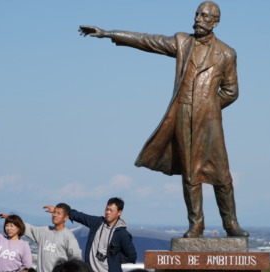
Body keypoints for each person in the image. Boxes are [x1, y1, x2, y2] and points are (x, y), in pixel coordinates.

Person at [78, 1, 249, 238]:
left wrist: (208, 107)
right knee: (190, 175)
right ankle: (196, 224)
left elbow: (231, 91)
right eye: (197, 14)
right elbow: (148, 41)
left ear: (215, 21)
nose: (198, 18)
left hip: (209, 123)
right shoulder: (182, 42)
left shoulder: (227, 53)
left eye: (205, 16)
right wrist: (109, 34)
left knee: (222, 175)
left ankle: (231, 224)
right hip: (182, 119)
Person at [44, 198, 137, 272]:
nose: (108, 212)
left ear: (119, 212)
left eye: (111, 210)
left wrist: (114, 259)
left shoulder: (122, 234)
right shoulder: (97, 222)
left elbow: (132, 256)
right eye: (107, 209)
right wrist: (59, 210)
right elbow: (81, 216)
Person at [0, 203, 82, 272]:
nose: (54, 215)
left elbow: (76, 260)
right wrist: (12, 219)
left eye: (58, 213)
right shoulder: (45, 231)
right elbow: (28, 228)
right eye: (54, 212)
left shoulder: (68, 237)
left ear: (66, 217)